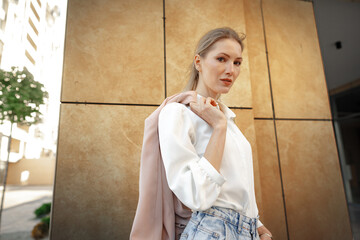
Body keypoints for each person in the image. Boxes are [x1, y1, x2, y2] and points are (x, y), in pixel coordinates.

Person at [157, 27, 273, 240]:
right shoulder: (177, 113)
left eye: (237, 62)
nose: (231, 70)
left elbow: (237, 184)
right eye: (221, 59)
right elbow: (196, 196)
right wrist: (218, 128)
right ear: (198, 62)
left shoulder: (229, 120)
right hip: (211, 230)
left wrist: (258, 226)